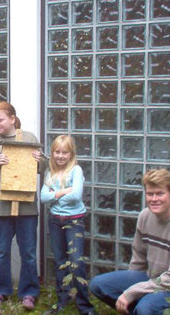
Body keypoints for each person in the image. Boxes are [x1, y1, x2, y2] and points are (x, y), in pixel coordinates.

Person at [89, 169, 170, 315]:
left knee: (146, 307)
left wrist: (132, 292)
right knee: (99, 285)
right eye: (150, 194)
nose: (154, 199)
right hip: (154, 278)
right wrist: (131, 290)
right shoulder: (145, 215)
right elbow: (138, 258)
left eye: (160, 193)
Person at [0, 101, 46, 311]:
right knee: (1, 252)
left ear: (12, 119)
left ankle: (29, 293)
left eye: (0, 119)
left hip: (27, 208)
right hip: (1, 208)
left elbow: (44, 166)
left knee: (29, 252)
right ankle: (0, 291)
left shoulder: (29, 138)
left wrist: (39, 160)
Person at [40, 135, 97, 315]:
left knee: (76, 262)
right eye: (57, 152)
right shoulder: (50, 172)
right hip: (55, 220)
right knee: (60, 262)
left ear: (71, 154)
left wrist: (54, 194)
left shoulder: (76, 170)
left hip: (74, 220)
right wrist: (64, 191)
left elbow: (76, 196)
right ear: (52, 153)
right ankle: (62, 301)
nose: (60, 156)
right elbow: (43, 197)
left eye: (65, 152)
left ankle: (85, 306)